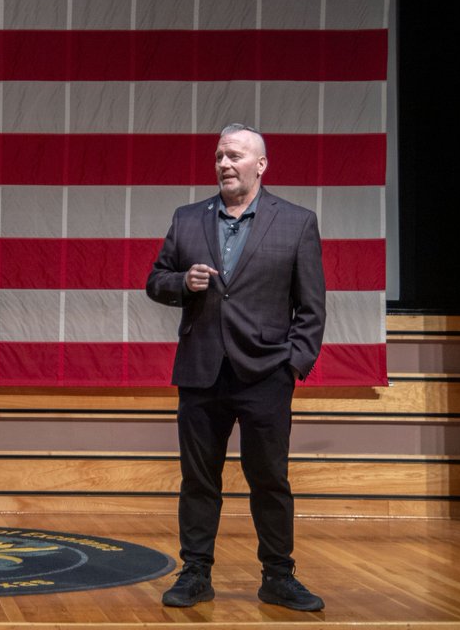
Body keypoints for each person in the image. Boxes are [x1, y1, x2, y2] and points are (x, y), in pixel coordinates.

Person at [146, 123, 326, 612]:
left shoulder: (296, 222)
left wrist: (294, 363)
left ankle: (278, 576)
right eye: (220, 155)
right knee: (198, 479)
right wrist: (183, 280)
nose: (225, 163)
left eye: (236, 156)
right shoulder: (187, 219)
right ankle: (195, 573)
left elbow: (311, 308)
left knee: (270, 478)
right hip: (202, 369)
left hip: (266, 372)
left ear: (261, 165)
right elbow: (155, 281)